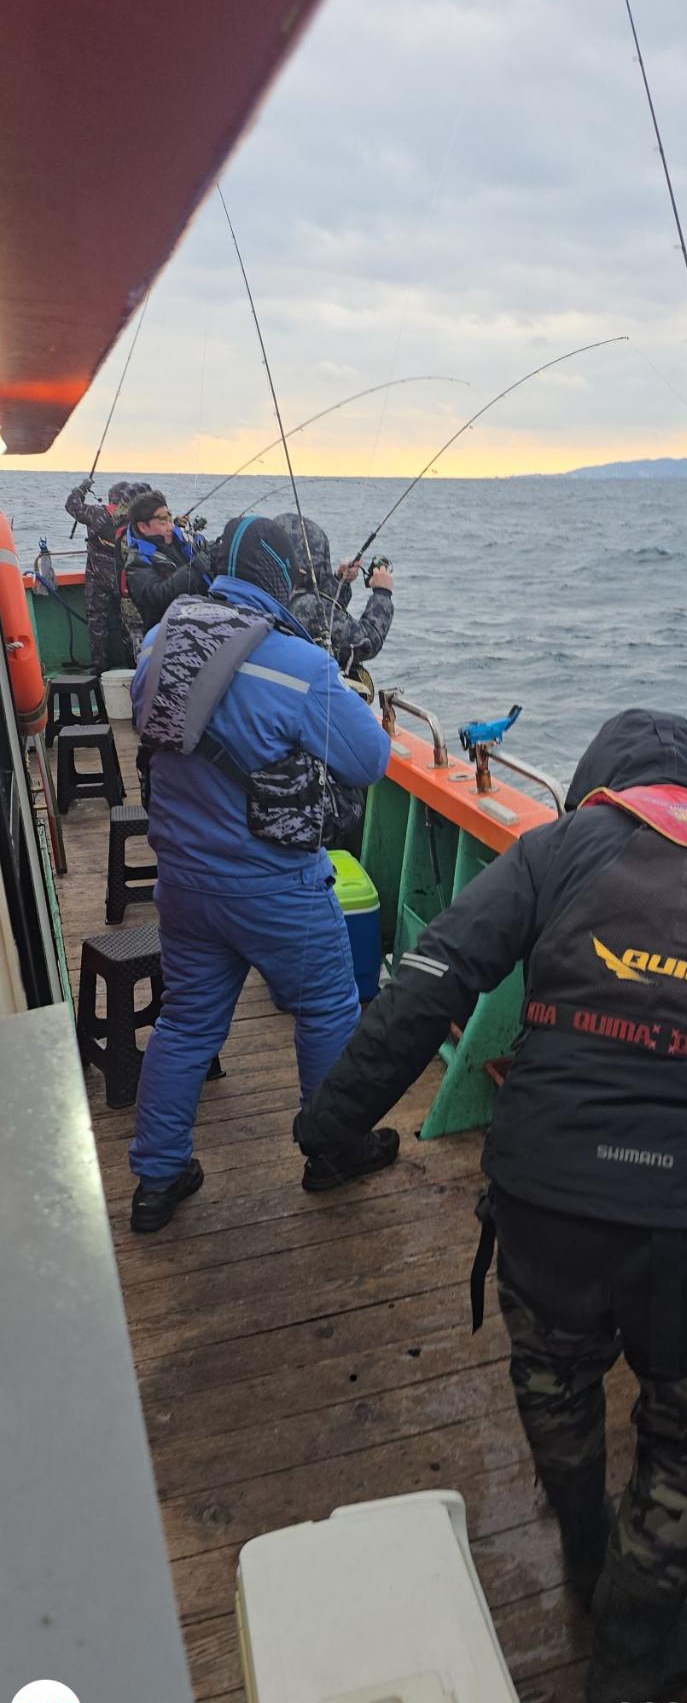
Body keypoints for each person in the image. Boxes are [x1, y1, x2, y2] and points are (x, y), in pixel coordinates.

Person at [293, 707, 687, 1703]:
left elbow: (429, 984)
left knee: (555, 1382)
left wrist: (331, 1124)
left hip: (548, 1206)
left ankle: (587, 1549)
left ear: (598, 786)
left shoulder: (556, 848)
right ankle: (634, 1651)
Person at [127, 514, 398, 1235]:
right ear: (280, 576)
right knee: (328, 1007)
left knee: (185, 1024)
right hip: (276, 886)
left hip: (183, 880)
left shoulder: (158, 642)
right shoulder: (298, 663)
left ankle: (157, 1180)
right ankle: (331, 1151)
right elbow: (370, 761)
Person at [275, 513, 394, 675]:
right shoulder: (310, 608)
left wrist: (340, 581)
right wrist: (382, 593)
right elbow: (367, 643)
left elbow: (326, 614)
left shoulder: (277, 594)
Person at [121, 488, 211, 658]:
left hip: (202, 628)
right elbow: (156, 597)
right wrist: (194, 569)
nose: (171, 527)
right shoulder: (137, 562)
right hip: (169, 641)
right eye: (163, 522)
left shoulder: (182, 544)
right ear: (143, 526)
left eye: (170, 519)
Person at [63, 477, 135, 670]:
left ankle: (100, 667)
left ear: (111, 498)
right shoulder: (135, 520)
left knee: (97, 623)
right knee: (128, 624)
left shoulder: (96, 513)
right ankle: (133, 665)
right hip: (124, 581)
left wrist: (82, 488)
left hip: (98, 579)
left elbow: (71, 505)